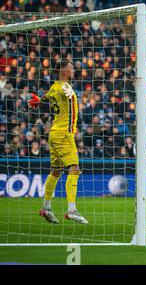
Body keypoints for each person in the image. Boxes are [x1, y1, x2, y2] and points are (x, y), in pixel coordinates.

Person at [28, 60, 87, 224]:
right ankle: (71, 210)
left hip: (54, 133)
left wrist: (39, 100)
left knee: (56, 171)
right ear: (64, 71)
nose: (73, 71)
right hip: (64, 134)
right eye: (71, 68)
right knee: (74, 169)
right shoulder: (65, 86)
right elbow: (66, 94)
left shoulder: (54, 86)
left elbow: (47, 96)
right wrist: (68, 94)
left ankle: (46, 207)